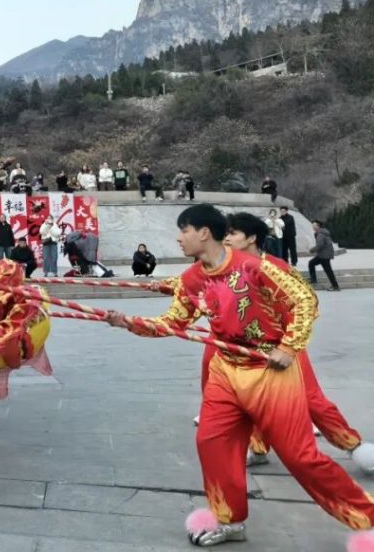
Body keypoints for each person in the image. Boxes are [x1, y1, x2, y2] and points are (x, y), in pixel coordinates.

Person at [104, 204, 374, 546]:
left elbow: (305, 301)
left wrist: (289, 346)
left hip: (270, 373)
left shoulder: (255, 267)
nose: (179, 238)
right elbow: (174, 322)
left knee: (300, 457)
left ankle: (367, 516)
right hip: (226, 369)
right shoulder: (192, 279)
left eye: (184, 230)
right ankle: (229, 520)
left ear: (204, 233)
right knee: (212, 442)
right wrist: (128, 323)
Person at [224, 212, 374, 474]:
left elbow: (308, 304)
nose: (226, 238)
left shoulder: (275, 268)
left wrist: (288, 346)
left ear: (251, 238)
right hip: (248, 349)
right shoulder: (228, 271)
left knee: (310, 399)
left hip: (285, 346)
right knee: (251, 399)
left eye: (232, 233)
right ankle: (257, 446)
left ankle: (353, 445)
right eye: (225, 233)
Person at [308, 220, 340, 291]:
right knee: (312, 263)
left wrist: (311, 250)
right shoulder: (321, 233)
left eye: (314, 225)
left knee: (328, 270)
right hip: (323, 254)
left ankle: (335, 286)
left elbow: (320, 245)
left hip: (324, 255)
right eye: (312, 225)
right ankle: (313, 279)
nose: (313, 227)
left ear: (318, 226)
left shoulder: (321, 234)